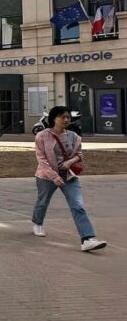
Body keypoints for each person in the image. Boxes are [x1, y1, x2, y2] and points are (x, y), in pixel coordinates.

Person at [33, 106, 105, 252]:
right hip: (47, 176)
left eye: (68, 117)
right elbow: (42, 160)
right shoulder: (42, 136)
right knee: (42, 202)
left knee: (78, 205)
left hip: (69, 175)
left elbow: (79, 154)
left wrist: (69, 163)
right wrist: (54, 176)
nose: (66, 119)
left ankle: (87, 239)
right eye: (62, 117)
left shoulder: (74, 136)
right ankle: (37, 222)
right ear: (53, 118)